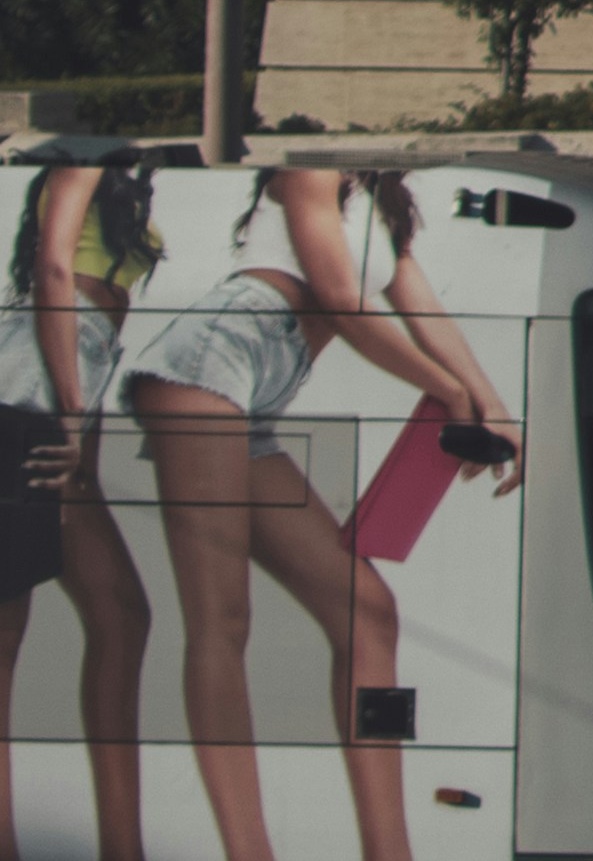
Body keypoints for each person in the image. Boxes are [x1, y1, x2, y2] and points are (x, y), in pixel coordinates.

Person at [120, 166, 519, 861]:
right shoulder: (310, 167)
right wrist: (452, 392)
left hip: (263, 389)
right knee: (222, 620)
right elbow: (339, 297)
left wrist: (494, 406)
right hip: (214, 357)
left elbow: (423, 310)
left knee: (368, 611)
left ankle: (390, 851)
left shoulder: (384, 199)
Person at [8, 158, 161, 861]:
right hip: (25, 399)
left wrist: (79, 435)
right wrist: (71, 412)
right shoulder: (78, 161)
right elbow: (54, 273)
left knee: (123, 615)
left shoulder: (136, 167)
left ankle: (123, 847)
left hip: (63, 395)